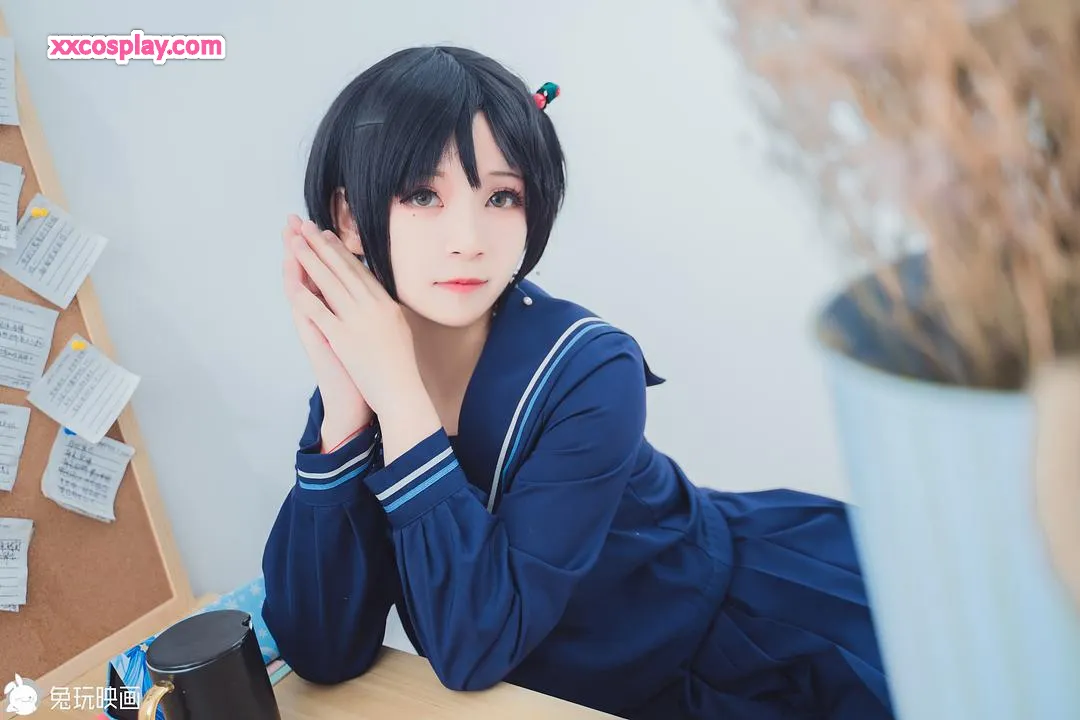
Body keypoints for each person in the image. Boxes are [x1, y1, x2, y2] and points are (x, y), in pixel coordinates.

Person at [261, 45, 894, 720]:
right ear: (349, 218)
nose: (469, 238)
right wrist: (344, 410)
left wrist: (398, 399)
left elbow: (474, 648)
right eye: (423, 195)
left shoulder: (592, 370)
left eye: (501, 196)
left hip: (737, 647)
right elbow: (321, 651)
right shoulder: (369, 377)